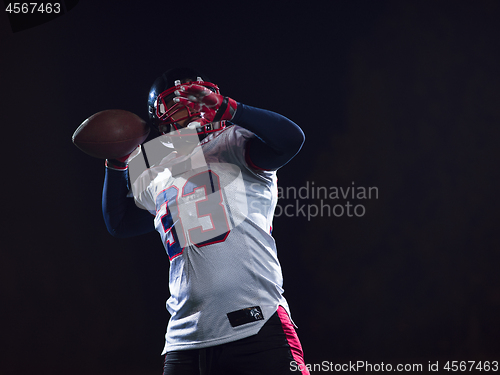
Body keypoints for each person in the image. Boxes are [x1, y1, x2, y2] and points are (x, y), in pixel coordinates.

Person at [102, 67, 309, 375]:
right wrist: (117, 164)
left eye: (198, 99)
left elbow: (292, 140)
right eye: (180, 103)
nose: (193, 109)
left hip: (255, 324)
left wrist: (232, 108)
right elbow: (119, 223)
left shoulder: (235, 142)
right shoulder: (156, 163)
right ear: (161, 116)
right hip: (184, 337)